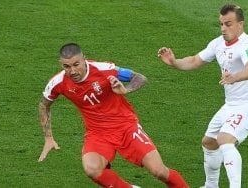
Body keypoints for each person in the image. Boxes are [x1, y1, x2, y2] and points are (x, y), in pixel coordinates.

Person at [38, 42, 189, 188]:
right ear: (61, 64)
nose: (72, 71)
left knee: (159, 171)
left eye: (76, 64)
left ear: (84, 59)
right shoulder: (58, 83)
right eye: (67, 66)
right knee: (92, 169)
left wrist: (125, 90)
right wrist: (48, 138)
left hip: (126, 127)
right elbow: (44, 105)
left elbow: (139, 77)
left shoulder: (105, 70)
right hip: (98, 133)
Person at [157, 3, 248, 188]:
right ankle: (211, 185)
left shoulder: (247, 45)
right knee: (209, 143)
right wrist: (174, 62)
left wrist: (234, 77)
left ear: (241, 24)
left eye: (228, 24)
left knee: (224, 139)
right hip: (230, 106)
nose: (223, 29)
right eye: (221, 24)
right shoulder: (218, 44)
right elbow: (195, 61)